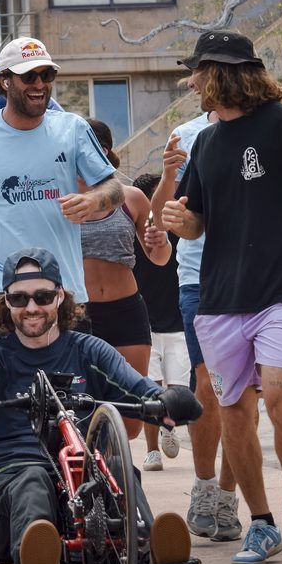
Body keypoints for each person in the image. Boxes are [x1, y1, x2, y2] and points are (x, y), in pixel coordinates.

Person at [161, 30, 282, 564]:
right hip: (219, 300)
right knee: (234, 413)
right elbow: (197, 222)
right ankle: (262, 525)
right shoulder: (205, 142)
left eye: (197, 71)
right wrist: (183, 220)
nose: (192, 81)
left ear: (220, 72)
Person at [0, 248, 200, 564]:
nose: (31, 307)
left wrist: (165, 402)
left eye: (42, 297)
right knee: (33, 479)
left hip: (84, 467)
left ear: (60, 296)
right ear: (5, 303)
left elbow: (138, 387)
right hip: (13, 472)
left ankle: (154, 562)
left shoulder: (89, 350)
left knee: (118, 468)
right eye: (18, 298)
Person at [0, 37, 123, 314]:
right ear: (6, 81)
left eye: (47, 74)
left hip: (63, 287)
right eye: (29, 76)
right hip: (0, 287)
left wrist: (94, 201)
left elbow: (113, 188)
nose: (39, 84)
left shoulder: (73, 128)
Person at [150, 79, 241, 543]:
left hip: (255, 276)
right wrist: (168, 175)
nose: (196, 83)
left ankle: (230, 492)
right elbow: (158, 215)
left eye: (205, 73)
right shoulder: (184, 136)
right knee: (207, 382)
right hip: (198, 278)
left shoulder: (268, 130)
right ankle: (205, 486)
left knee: (244, 392)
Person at [77, 120, 171, 470]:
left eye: (95, 146)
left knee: (130, 422)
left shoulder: (131, 197)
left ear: (106, 150)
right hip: (79, 316)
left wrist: (160, 244)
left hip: (127, 312)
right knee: (83, 409)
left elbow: (159, 258)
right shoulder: (60, 196)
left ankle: (111, 473)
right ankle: (99, 481)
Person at [130, 172, 189, 472]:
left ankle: (169, 424)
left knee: (178, 389)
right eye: (160, 195)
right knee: (149, 388)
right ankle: (152, 451)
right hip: (146, 323)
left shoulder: (182, 229)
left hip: (178, 319)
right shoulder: (133, 234)